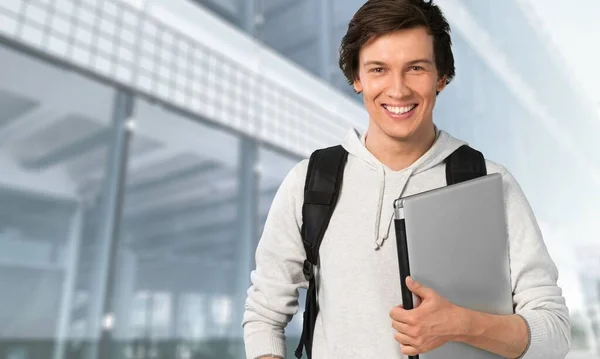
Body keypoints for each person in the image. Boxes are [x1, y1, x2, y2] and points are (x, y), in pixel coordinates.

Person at [241, 0, 571, 358]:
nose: (397, 90)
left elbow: (554, 334)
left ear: (442, 77)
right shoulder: (309, 182)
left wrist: (463, 325)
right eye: (379, 69)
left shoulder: (489, 183)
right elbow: (264, 315)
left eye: (415, 68)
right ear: (357, 78)